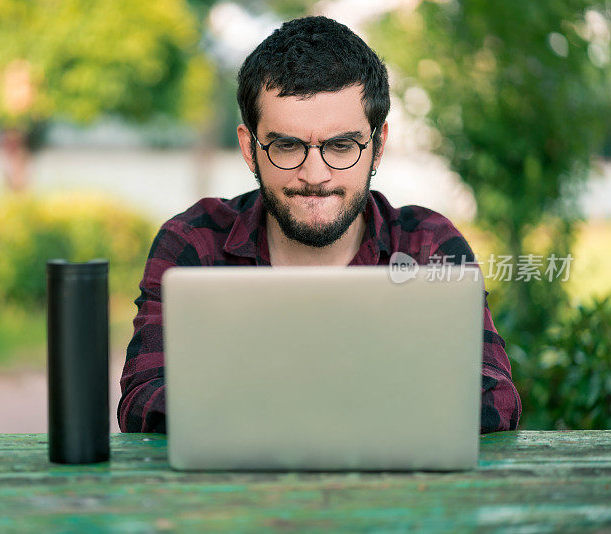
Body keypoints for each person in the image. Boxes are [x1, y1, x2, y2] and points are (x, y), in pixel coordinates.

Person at [118, 16, 521, 434]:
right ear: (248, 148)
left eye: (341, 145)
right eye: (287, 146)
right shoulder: (193, 242)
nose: (315, 174)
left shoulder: (428, 245)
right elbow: (142, 402)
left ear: (377, 146)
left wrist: (270, 399)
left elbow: (495, 398)